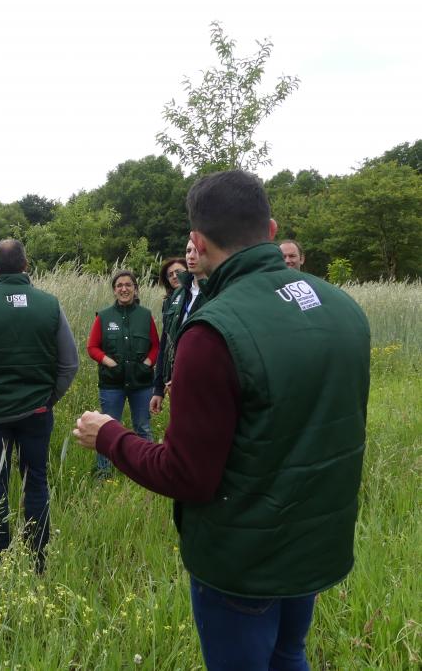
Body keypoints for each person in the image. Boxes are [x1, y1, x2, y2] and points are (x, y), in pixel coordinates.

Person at [74, 170, 370, 670]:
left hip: (243, 562)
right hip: (315, 547)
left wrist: (110, 436)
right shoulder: (343, 308)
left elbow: (186, 474)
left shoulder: (213, 331)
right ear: (272, 231)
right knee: (289, 654)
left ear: (197, 243)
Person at [0, 239, 79, 573]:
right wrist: (49, 398)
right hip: (38, 412)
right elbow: (70, 364)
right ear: (26, 266)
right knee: (35, 481)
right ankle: (37, 560)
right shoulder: (50, 304)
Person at [86, 270, 159, 477]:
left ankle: (150, 473)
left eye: (128, 285)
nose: (124, 289)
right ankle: (104, 474)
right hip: (112, 384)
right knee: (107, 428)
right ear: (114, 290)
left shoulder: (145, 316)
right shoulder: (104, 316)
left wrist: (146, 364)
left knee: (143, 428)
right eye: (119, 285)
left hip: (142, 383)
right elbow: (92, 347)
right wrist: (109, 362)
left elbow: (156, 347)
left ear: (135, 289)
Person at [154, 239, 207, 412]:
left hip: (203, 387)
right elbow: (166, 343)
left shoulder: (218, 293)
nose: (191, 256)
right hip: (174, 386)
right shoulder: (178, 294)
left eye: (196, 251)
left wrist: (183, 377)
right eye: (188, 250)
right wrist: (158, 388)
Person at [149, 256, 186, 414]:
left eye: (178, 272)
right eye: (170, 274)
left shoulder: (203, 296)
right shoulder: (168, 303)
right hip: (173, 375)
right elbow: (165, 343)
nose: (174, 276)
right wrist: (158, 388)